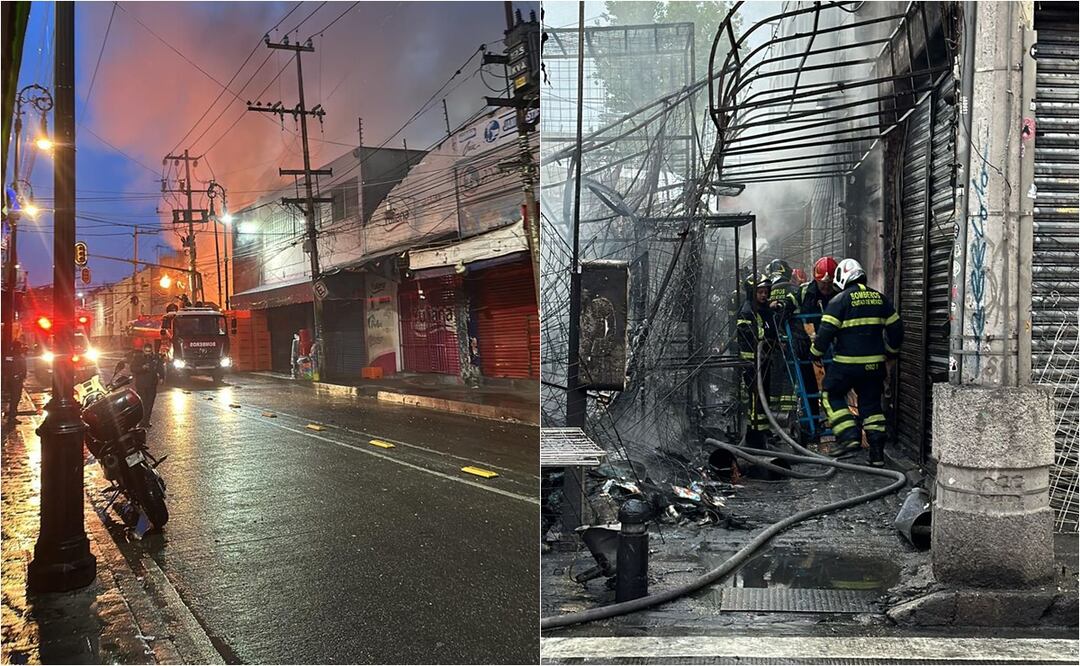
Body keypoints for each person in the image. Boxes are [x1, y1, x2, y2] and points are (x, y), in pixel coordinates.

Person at [811, 258, 903, 466]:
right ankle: (877, 454)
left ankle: (849, 435)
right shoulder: (881, 299)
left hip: (846, 366)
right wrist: (891, 352)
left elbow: (825, 333)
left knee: (830, 393)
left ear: (843, 277)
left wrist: (814, 353)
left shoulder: (839, 301)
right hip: (874, 367)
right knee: (871, 406)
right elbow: (897, 328)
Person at [790, 256, 839, 435]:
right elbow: (788, 306)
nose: (826, 287)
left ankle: (837, 421)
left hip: (831, 348)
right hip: (805, 347)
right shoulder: (804, 293)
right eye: (822, 284)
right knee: (808, 385)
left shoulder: (839, 295)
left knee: (833, 385)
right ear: (816, 279)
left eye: (829, 283)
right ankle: (813, 424)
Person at [736, 273, 776, 448]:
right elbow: (751, 334)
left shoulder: (762, 309)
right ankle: (755, 433)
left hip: (763, 360)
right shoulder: (746, 311)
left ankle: (764, 430)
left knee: (764, 396)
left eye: (766, 292)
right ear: (752, 292)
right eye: (760, 292)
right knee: (756, 398)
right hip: (752, 363)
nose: (764, 295)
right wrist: (766, 339)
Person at [131, 342, 165, 428]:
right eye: (146, 351)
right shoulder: (138, 358)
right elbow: (133, 368)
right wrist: (142, 368)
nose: (148, 353)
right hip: (141, 385)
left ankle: (146, 421)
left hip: (152, 384)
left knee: (149, 404)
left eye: (149, 351)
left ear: (151, 351)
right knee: (142, 403)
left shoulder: (156, 358)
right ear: (143, 350)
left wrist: (161, 377)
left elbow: (160, 368)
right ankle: (141, 421)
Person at [4, 341, 28, 425]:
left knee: (15, 398)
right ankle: (11, 417)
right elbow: (8, 367)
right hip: (15, 380)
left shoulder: (11, 355)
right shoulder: (15, 356)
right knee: (15, 398)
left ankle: (12, 416)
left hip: (14, 379)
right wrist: (17, 375)